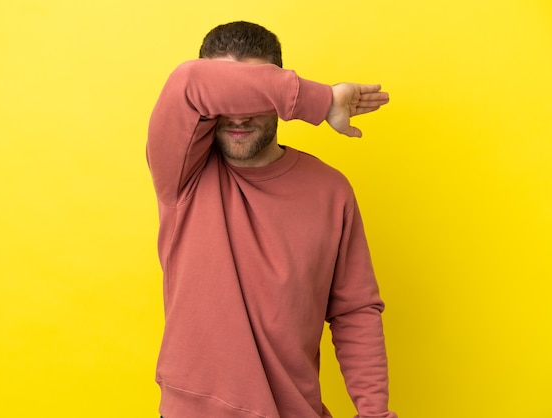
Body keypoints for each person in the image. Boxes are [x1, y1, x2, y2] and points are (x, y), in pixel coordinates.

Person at [146, 21, 396, 418]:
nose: (239, 116)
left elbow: (355, 310)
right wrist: (322, 100)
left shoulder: (330, 191)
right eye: (228, 94)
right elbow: (188, 82)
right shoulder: (181, 174)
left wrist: (374, 412)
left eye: (253, 96)